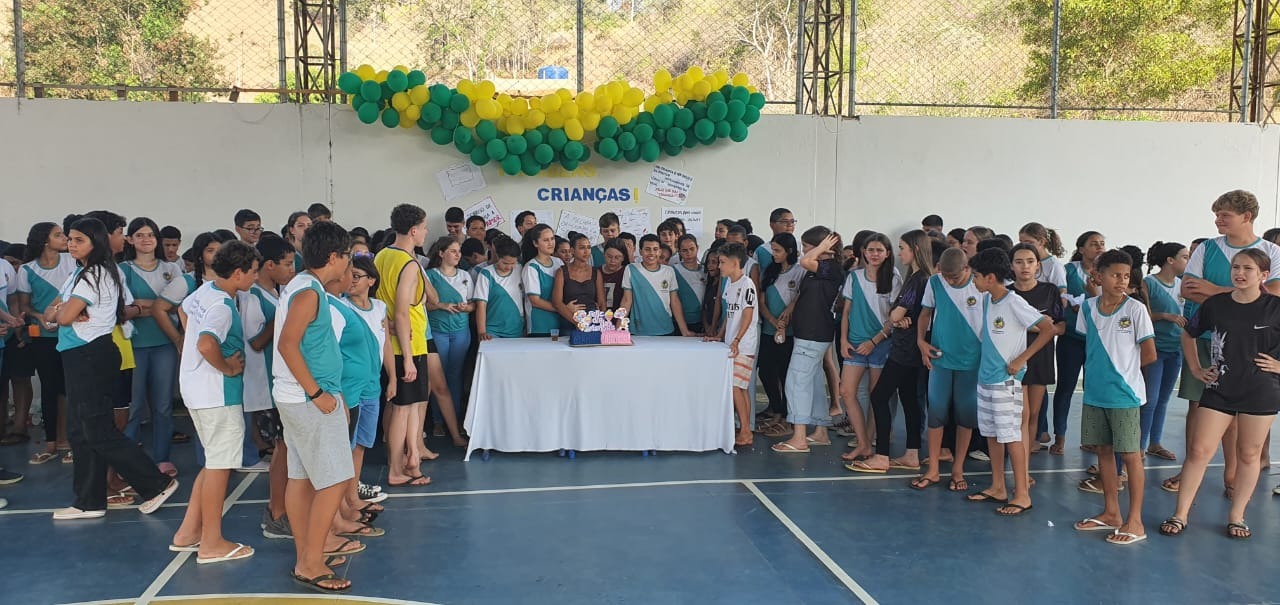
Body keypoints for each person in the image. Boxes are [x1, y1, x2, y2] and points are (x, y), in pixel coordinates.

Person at [50, 217, 179, 520]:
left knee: (97, 428)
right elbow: (54, 311)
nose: (71, 244)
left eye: (78, 240)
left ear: (96, 243)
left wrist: (64, 312)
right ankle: (89, 500)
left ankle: (156, 483)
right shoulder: (77, 274)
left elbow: (64, 316)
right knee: (80, 429)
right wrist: (61, 312)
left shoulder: (94, 275)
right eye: (69, 239)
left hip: (90, 353)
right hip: (76, 353)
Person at [1163, 190, 1280, 497]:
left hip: (1252, 342)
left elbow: (1274, 297)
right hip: (1204, 337)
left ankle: (1232, 474)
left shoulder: (1271, 250)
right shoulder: (1206, 249)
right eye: (1216, 215)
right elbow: (1189, 291)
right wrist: (1242, 294)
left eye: (1224, 215)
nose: (1217, 220)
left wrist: (1214, 290)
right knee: (1199, 407)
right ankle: (1191, 466)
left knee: (1241, 412)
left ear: (1247, 217)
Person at [273, 220, 362, 593]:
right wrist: (317, 394)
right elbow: (288, 345)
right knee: (335, 478)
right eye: (347, 257)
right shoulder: (308, 293)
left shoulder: (303, 286)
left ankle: (309, 552)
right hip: (308, 399)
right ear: (333, 256)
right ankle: (309, 562)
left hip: (298, 397)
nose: (348, 266)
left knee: (302, 477)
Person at [171, 240, 259, 563]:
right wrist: (228, 366)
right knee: (221, 466)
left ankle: (188, 532)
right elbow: (208, 344)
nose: (254, 277)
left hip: (195, 387)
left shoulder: (206, 291)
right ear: (238, 273)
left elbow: (183, 311)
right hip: (217, 392)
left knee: (212, 462)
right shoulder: (222, 307)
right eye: (252, 272)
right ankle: (211, 542)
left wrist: (192, 348)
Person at [1062, 249, 1155, 543]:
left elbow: (1149, 354)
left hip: (1124, 396)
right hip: (1094, 394)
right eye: (1115, 275)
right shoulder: (1088, 309)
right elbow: (1091, 345)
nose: (1121, 281)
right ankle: (1111, 513)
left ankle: (1135, 521)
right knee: (1102, 451)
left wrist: (1121, 375)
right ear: (1098, 276)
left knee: (1129, 455)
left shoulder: (1135, 309)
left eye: (1126, 276)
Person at [965, 248, 1054, 515]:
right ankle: (998, 486)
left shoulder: (1013, 302)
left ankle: (1022, 494)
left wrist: (1021, 359)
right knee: (992, 434)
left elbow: (1047, 328)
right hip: (986, 379)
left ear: (990, 278)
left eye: (976, 277)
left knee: (1012, 436)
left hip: (1006, 381)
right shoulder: (987, 301)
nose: (974, 282)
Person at [847, 231, 932, 472]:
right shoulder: (916, 277)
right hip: (907, 346)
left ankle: (881, 455)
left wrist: (898, 318)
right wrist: (900, 318)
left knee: (879, 396)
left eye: (903, 247)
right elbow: (903, 315)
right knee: (908, 400)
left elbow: (895, 314)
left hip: (905, 351)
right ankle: (912, 454)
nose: (900, 252)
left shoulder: (919, 279)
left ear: (915, 249)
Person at [911, 248, 983, 491]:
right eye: (946, 276)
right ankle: (932, 469)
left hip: (971, 361)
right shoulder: (935, 282)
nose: (950, 281)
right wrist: (921, 342)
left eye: (955, 277)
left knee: (965, 416)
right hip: (940, 358)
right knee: (936, 412)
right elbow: (925, 313)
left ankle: (957, 469)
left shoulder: (980, 285)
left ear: (967, 268)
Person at [373, 204, 432, 488]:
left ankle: (413, 458)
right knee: (401, 407)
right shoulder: (408, 264)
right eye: (423, 227)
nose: (426, 232)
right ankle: (396, 467)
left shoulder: (383, 255)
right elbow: (400, 311)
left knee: (411, 406)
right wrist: (407, 358)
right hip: (406, 344)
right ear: (413, 230)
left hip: (405, 341)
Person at [120, 217, 184, 476]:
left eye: (150, 235)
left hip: (164, 343)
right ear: (130, 239)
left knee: (163, 406)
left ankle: (162, 458)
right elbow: (124, 309)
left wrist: (144, 306)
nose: (145, 239)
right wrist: (158, 306)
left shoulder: (172, 268)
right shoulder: (122, 270)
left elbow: (178, 305)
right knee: (133, 407)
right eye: (140, 235)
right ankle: (128, 461)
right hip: (133, 343)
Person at [773, 228, 844, 454]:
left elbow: (804, 261)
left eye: (807, 245)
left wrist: (822, 248)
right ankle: (821, 430)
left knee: (796, 383)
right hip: (807, 333)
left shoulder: (830, 268)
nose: (804, 250)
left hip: (814, 334)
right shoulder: (816, 271)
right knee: (811, 382)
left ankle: (799, 437)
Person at [12, 222, 73, 464]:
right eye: (59, 235)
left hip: (70, 335)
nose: (65, 238)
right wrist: (40, 317)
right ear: (45, 241)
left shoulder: (72, 263)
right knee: (49, 387)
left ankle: (69, 440)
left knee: (70, 388)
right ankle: (51, 443)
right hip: (44, 337)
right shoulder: (26, 270)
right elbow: (25, 305)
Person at [840, 233, 901, 464]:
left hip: (880, 345)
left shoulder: (894, 279)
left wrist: (874, 341)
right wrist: (844, 340)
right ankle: (863, 441)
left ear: (887, 253)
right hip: (855, 344)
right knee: (846, 391)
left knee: (877, 396)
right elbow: (846, 312)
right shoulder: (854, 277)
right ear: (863, 252)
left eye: (879, 250)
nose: (875, 254)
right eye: (871, 250)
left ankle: (871, 442)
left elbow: (894, 318)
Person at [1044, 231, 1105, 455]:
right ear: (1081, 249)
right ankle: (1059, 437)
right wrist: (1070, 307)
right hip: (1071, 338)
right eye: (1093, 244)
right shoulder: (1069, 271)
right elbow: (1058, 298)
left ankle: (1090, 438)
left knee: (1093, 390)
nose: (1099, 247)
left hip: (1096, 342)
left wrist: (1090, 303)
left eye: (1102, 244)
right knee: (1065, 388)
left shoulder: (1107, 275)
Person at [342, 254, 393, 511]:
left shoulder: (380, 307)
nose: (351, 281)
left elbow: (385, 344)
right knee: (346, 445)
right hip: (348, 386)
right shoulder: (341, 307)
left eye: (357, 276)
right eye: (349, 275)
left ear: (371, 280)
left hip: (372, 384)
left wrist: (392, 377)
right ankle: (343, 499)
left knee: (361, 442)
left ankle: (353, 495)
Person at [1009, 244, 1064, 461]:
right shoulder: (1007, 294)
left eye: (1030, 261)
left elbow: (1060, 326)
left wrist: (1048, 329)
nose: (1025, 266)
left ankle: (1026, 460)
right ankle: (1015, 457)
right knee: (1019, 415)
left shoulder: (1049, 291)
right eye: (1019, 261)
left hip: (1041, 357)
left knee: (1033, 414)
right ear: (1011, 266)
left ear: (1038, 266)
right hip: (1015, 358)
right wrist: (1037, 325)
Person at [1142, 241, 1188, 461]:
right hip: (1155, 349)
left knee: (1162, 400)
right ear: (1170, 260)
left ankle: (1155, 443)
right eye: (1184, 257)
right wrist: (1165, 316)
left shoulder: (1183, 285)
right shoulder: (1148, 283)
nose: (1188, 261)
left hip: (1175, 349)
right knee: (1149, 400)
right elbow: (1142, 315)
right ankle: (1138, 447)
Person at [709, 243, 758, 447]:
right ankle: (745, 428)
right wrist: (720, 335)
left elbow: (747, 313)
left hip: (744, 344)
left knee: (735, 388)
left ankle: (746, 431)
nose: (719, 266)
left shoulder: (747, 283)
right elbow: (730, 315)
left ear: (735, 263)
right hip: (732, 342)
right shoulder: (729, 284)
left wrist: (737, 339)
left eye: (722, 262)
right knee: (740, 388)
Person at [424, 237, 473, 430]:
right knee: (438, 377)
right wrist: (441, 306)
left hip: (461, 331)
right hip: (438, 331)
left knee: (455, 375)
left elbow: (473, 305)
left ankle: (456, 420)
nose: (457, 255)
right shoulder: (429, 276)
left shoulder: (465, 275)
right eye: (453, 251)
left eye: (458, 251)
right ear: (441, 253)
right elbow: (420, 304)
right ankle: (437, 420)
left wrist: (465, 307)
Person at [756, 233, 804, 434]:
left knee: (786, 374)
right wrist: (773, 321)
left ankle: (786, 415)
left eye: (777, 250)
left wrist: (791, 309)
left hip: (790, 332)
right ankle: (776, 409)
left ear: (789, 251)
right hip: (769, 330)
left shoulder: (800, 271)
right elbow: (762, 301)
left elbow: (802, 297)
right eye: (772, 250)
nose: (773, 254)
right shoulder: (769, 271)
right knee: (766, 371)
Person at [619, 235, 691, 337]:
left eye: (655, 249)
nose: (651, 253)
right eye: (647, 249)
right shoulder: (631, 269)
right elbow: (626, 301)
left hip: (665, 329)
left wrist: (685, 331)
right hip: (639, 331)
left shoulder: (669, 271)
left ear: (660, 251)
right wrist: (618, 328)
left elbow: (674, 301)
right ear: (640, 251)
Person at [473, 236, 525, 339]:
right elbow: (481, 305)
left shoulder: (520, 270)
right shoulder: (486, 274)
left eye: (513, 263)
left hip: (516, 329)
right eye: (505, 263)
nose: (509, 267)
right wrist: (482, 332)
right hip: (492, 330)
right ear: (498, 257)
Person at [521, 224, 564, 337]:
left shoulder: (559, 262)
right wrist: (562, 309)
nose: (551, 243)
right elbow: (535, 301)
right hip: (539, 325)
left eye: (552, 238)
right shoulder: (531, 267)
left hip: (560, 322)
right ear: (536, 243)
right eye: (546, 240)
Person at [553, 232, 605, 324]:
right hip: (569, 319)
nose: (586, 251)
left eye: (588, 247)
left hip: (592, 321)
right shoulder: (562, 272)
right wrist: (577, 322)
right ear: (572, 250)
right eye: (582, 248)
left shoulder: (595, 272)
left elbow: (601, 303)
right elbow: (557, 303)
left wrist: (600, 321)